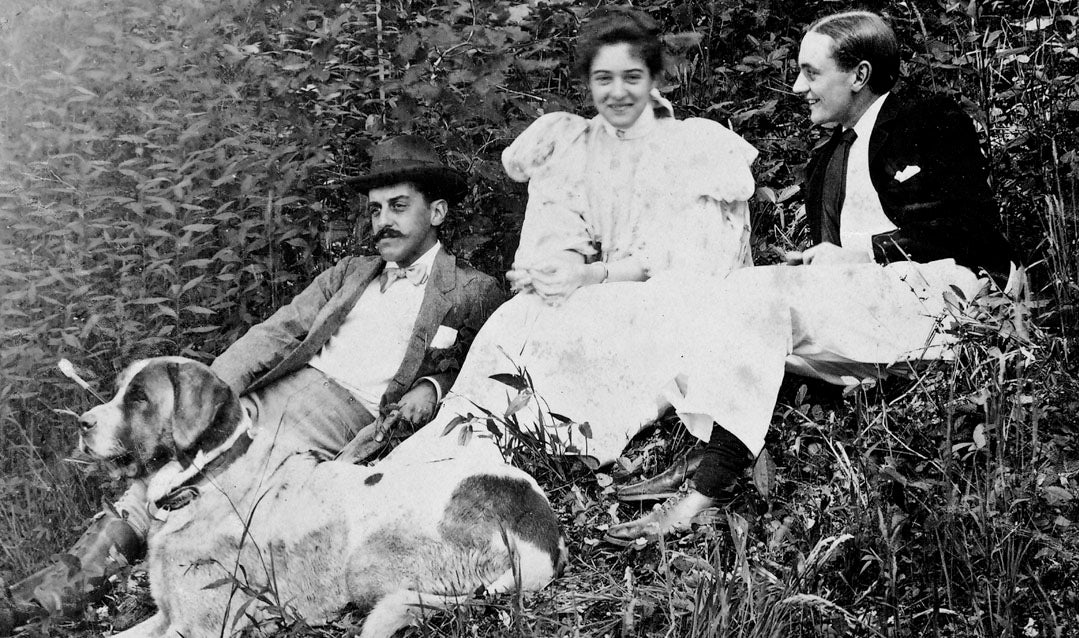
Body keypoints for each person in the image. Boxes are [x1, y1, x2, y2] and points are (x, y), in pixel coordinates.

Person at [0, 135, 504, 630]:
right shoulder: (350, 273)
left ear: (436, 213)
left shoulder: (471, 291)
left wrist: (432, 387)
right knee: (167, 468)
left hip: (342, 416)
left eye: (398, 206)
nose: (383, 222)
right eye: (375, 210)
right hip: (272, 393)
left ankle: (168, 598)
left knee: (206, 487)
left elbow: (479, 363)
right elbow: (277, 332)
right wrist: (210, 396)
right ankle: (47, 598)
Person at [602, 10, 1017, 545]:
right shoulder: (831, 155)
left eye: (810, 73)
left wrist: (861, 252)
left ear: (859, 75)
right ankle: (707, 447)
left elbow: (969, 228)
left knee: (756, 296)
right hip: (875, 299)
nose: (798, 87)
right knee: (710, 294)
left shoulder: (925, 118)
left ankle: (707, 490)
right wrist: (822, 263)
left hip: (939, 294)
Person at [379, 8, 758, 490]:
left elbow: (668, 265)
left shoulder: (688, 150)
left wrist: (590, 277)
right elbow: (562, 234)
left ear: (653, 78)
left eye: (631, 77)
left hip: (659, 295)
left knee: (586, 327)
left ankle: (557, 445)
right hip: (597, 281)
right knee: (516, 320)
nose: (617, 93)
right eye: (603, 79)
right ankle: (460, 448)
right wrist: (554, 271)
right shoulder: (577, 144)